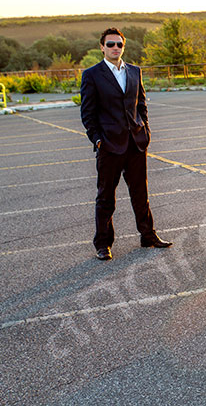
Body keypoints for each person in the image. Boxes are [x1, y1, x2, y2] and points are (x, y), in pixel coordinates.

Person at [80, 27, 172, 260]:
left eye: (119, 45)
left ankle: (148, 235)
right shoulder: (92, 75)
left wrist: (146, 132)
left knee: (141, 194)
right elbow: (87, 114)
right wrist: (98, 140)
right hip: (109, 146)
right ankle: (103, 244)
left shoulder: (134, 71)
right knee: (106, 197)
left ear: (124, 46)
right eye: (110, 44)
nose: (115, 48)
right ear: (101, 47)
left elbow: (141, 105)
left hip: (136, 143)